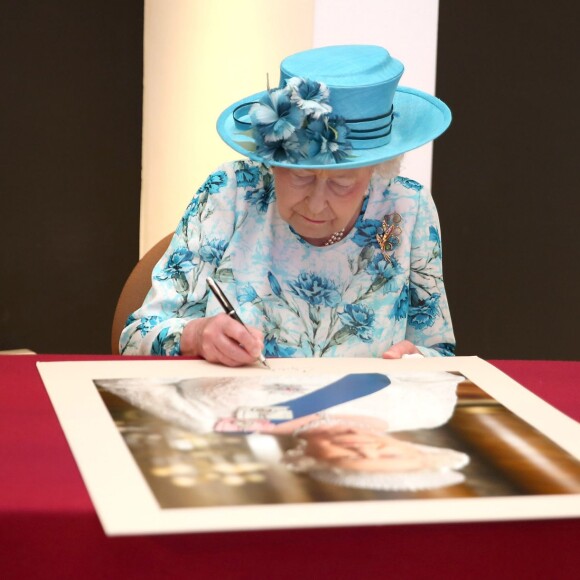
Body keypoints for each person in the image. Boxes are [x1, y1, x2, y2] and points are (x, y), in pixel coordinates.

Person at [120, 45, 455, 366]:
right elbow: (135, 338)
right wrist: (195, 335)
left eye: (342, 183)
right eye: (300, 176)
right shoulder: (232, 193)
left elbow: (440, 356)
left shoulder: (407, 208)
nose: (317, 202)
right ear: (273, 161)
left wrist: (418, 362)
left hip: (362, 422)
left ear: (377, 171)